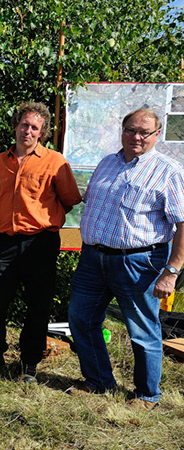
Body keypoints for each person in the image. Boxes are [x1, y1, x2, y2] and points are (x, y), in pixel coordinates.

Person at [67, 108, 184, 410]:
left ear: (156, 135)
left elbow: (182, 222)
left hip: (139, 262)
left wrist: (172, 270)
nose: (136, 137)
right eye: (131, 129)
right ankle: (98, 382)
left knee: (142, 330)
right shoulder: (108, 163)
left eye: (144, 132)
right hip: (93, 258)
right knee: (82, 319)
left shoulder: (168, 170)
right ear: (122, 130)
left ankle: (147, 394)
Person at [0, 102, 81, 383]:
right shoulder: (0, 161)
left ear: (41, 132)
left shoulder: (56, 162)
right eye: (23, 125)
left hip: (41, 244)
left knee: (37, 305)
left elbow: (68, 200)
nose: (27, 131)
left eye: (34, 127)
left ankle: (29, 364)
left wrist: (42, 219)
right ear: (15, 126)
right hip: (6, 242)